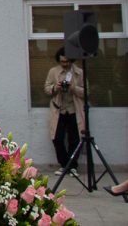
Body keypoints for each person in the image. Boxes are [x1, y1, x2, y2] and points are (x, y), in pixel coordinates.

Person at [44, 47, 85, 176]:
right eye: (62, 61)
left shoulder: (79, 72)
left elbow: (86, 92)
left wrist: (73, 88)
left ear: (71, 60)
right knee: (57, 138)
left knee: (75, 139)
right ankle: (64, 164)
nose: (65, 64)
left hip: (74, 109)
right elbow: (46, 89)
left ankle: (72, 166)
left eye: (67, 61)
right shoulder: (53, 72)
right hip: (59, 108)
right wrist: (55, 88)